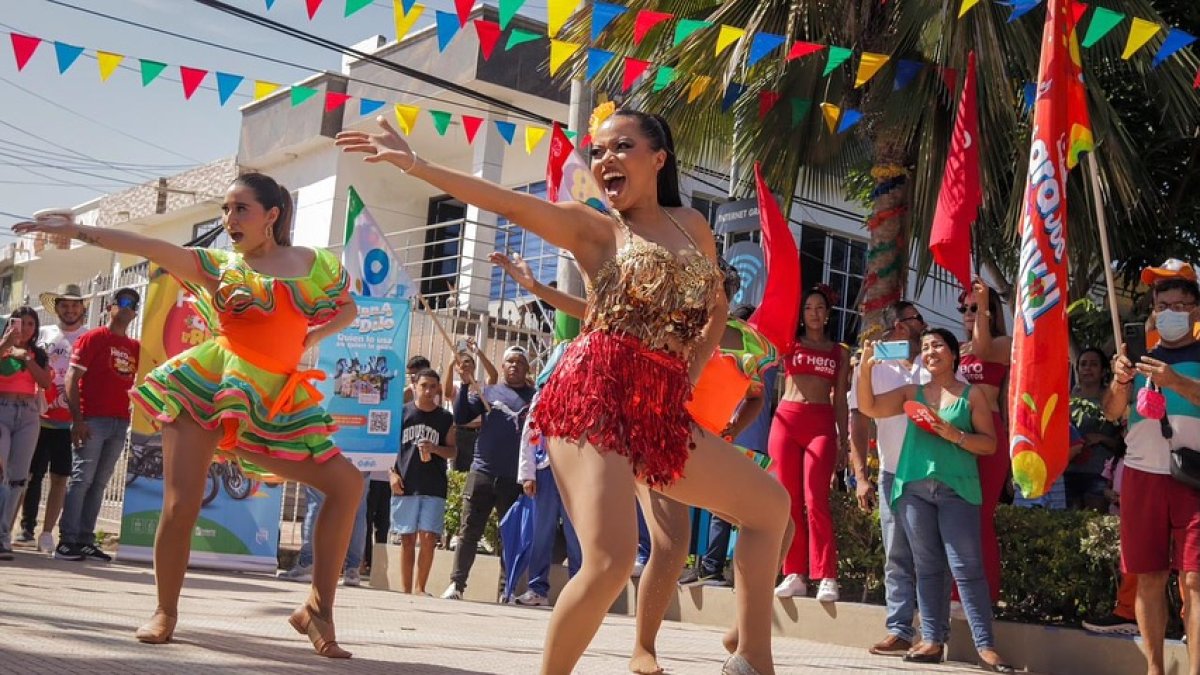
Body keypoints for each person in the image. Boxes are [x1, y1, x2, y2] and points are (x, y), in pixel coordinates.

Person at [337, 107, 789, 675]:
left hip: (660, 407)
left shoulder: (691, 225)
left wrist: (690, 374)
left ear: (659, 159)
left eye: (621, 147)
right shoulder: (595, 228)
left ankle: (752, 661)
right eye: (597, 151)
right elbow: (508, 203)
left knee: (770, 507)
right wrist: (417, 165)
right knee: (609, 560)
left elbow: (716, 306)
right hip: (594, 394)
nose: (604, 160)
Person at [15, 173, 364, 658]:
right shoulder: (220, 265)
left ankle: (318, 611)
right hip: (208, 385)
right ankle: (165, 611)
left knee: (347, 484)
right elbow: (148, 246)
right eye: (225, 209)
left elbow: (347, 308)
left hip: (274, 398)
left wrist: (313, 336)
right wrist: (78, 231)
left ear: (272, 215)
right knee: (181, 504)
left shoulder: (314, 264)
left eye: (240, 209)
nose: (229, 219)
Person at [857, 328, 1014, 672]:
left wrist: (956, 435)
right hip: (913, 488)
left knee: (966, 568)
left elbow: (989, 444)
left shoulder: (972, 395)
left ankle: (986, 647)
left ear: (953, 354)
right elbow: (868, 407)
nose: (930, 351)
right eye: (926, 347)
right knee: (926, 567)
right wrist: (866, 369)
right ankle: (931, 640)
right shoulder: (911, 392)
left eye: (938, 345)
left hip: (957, 489)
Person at [1103, 274, 1200, 675]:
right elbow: (1112, 411)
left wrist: (1174, 380)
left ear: (1195, 311)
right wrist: (1121, 381)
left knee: (1195, 580)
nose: (1169, 314)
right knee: (1149, 576)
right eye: (1162, 307)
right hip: (1142, 473)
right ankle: (1155, 669)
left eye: (1178, 306)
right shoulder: (1140, 357)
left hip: (1194, 476)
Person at [847, 300, 936, 656]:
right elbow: (858, 419)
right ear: (900, 326)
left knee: (930, 557)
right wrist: (861, 476)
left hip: (933, 472)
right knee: (897, 556)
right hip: (893, 473)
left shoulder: (935, 359)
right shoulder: (871, 364)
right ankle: (900, 630)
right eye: (917, 319)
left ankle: (932, 635)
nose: (924, 324)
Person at [771, 286, 850, 603]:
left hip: (821, 424)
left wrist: (844, 439)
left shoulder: (839, 352)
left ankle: (827, 575)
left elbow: (840, 399)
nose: (814, 313)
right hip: (787, 422)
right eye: (808, 308)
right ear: (801, 315)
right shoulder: (789, 344)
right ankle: (795, 573)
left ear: (827, 313)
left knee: (816, 499)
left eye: (819, 307)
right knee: (788, 500)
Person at [54, 289, 140, 563]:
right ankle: (66, 542)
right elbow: (71, 378)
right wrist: (78, 419)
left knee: (99, 483)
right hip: (92, 420)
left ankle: (85, 540)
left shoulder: (135, 347)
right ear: (110, 307)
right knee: (81, 480)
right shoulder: (94, 338)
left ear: (135, 313)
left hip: (119, 422)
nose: (127, 307)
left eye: (133, 304)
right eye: (122, 301)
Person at [440, 346, 533, 600]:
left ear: (527, 368)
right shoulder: (488, 392)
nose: (514, 366)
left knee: (510, 536)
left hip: (513, 477)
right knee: (469, 531)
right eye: (509, 361)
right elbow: (461, 417)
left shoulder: (535, 398)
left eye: (519, 362)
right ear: (502, 367)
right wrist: (465, 384)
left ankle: (507, 590)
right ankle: (457, 585)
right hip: (482, 472)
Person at [18, 284, 87, 554]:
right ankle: (26, 528)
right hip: (36, 416)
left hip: (69, 421)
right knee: (30, 475)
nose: (70, 310)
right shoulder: (43, 334)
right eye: (64, 305)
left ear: (82, 308)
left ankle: (47, 533)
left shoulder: (88, 337)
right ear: (56, 308)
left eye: (75, 305)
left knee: (60, 477)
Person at [956, 278, 1012, 605]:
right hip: (958, 434)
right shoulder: (958, 350)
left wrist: (983, 307)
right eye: (964, 308)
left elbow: (983, 349)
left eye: (975, 307)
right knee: (956, 516)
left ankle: (985, 596)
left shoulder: (1003, 343)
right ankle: (955, 594)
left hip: (989, 430)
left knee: (980, 518)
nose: (968, 313)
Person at [390, 368, 455, 595]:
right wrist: (391, 474)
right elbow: (388, 447)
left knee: (428, 538)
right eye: (424, 386)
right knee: (407, 539)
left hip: (434, 484)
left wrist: (435, 449)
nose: (428, 391)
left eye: (432, 386)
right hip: (406, 482)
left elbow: (453, 451)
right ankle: (406, 590)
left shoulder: (445, 417)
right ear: (415, 386)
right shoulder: (402, 413)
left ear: (438, 389)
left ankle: (420, 588)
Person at [0, 306, 51, 559]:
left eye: (31, 324)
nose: (26, 328)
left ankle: (3, 536)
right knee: (1, 470)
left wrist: (27, 359)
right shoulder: (3, 347)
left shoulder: (38, 354)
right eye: (20, 322)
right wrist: (7, 344)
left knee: (18, 478)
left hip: (28, 414)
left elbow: (45, 382)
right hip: (2, 409)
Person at [1067, 347, 1124, 511]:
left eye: (1093, 364)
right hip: (1069, 472)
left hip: (1100, 475)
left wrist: (1101, 439)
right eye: (1083, 364)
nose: (1087, 368)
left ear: (1104, 371)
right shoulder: (1066, 399)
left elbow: (1123, 444)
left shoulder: (1114, 400)